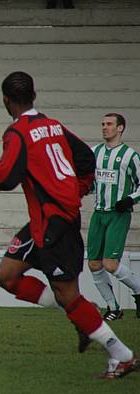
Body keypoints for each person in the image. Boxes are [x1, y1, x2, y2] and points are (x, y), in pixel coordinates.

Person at [0, 71, 138, 379]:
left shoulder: (17, 133)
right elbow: (86, 159)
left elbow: (4, 177)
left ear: (6, 100)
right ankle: (82, 310)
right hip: (44, 222)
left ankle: (123, 355)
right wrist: (74, 190)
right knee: (6, 276)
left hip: (56, 226)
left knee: (66, 294)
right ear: (34, 96)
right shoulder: (53, 125)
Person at [87, 113, 140, 320]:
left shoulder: (130, 156)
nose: (104, 127)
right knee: (93, 264)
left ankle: (138, 292)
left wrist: (130, 199)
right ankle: (113, 308)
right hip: (98, 213)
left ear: (120, 128)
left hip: (118, 215)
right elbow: (91, 181)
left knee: (110, 263)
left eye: (109, 124)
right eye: (102, 124)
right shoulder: (95, 153)